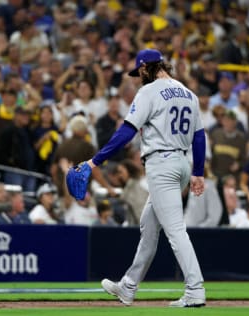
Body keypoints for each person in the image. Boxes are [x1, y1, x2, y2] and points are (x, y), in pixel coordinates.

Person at [81, 49, 206, 307]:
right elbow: (199, 136)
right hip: (182, 163)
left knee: (175, 230)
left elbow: (126, 132)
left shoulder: (149, 92)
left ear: (147, 67)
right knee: (149, 228)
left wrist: (95, 160)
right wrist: (197, 172)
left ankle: (195, 289)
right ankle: (128, 286)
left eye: (139, 72)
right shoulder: (189, 93)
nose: (139, 77)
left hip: (162, 164)